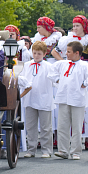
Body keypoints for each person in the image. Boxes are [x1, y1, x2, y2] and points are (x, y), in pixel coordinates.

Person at [53, 15, 88, 151]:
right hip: (70, 74)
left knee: (85, 111)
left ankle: (87, 139)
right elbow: (54, 52)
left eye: (77, 26)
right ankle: (65, 146)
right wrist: (63, 63)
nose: (75, 28)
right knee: (66, 114)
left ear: (84, 27)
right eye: (73, 26)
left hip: (84, 75)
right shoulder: (67, 40)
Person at [18, 41, 56, 158]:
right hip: (29, 99)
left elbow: (54, 81)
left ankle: (46, 150)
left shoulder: (49, 66)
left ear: (44, 54)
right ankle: (31, 149)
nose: (36, 56)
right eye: (34, 53)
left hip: (44, 99)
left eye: (39, 53)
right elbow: (22, 79)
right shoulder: (27, 65)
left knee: (45, 127)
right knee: (30, 126)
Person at [32, 16, 62, 148]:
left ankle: (55, 135)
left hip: (52, 67)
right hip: (39, 68)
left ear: (46, 28)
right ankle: (41, 136)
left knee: (53, 103)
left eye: (40, 27)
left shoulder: (58, 39)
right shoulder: (37, 39)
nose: (37, 29)